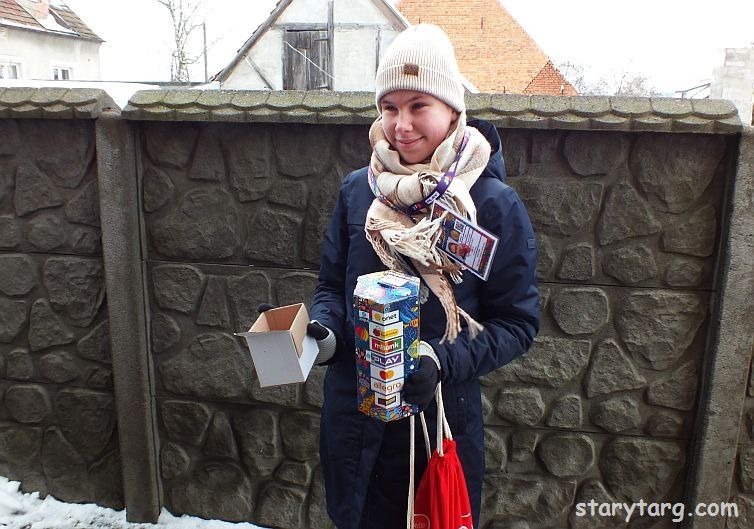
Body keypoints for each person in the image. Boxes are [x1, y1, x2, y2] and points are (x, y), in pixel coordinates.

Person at [307, 24, 539, 529]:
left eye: (418, 106)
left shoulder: (491, 205)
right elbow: (331, 287)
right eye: (389, 107)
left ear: (452, 110)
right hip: (353, 422)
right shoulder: (357, 191)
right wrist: (323, 331)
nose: (401, 125)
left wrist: (441, 359)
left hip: (436, 422)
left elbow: (518, 323)